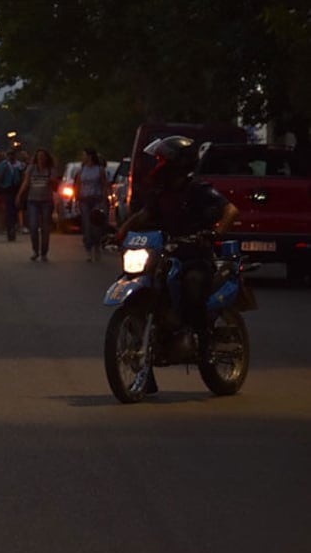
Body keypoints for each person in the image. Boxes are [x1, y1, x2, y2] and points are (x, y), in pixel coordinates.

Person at [115, 136, 239, 385]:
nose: (158, 164)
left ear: (178, 163)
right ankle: (146, 369)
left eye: (163, 160)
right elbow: (144, 215)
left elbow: (231, 211)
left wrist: (214, 234)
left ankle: (203, 343)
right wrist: (120, 232)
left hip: (195, 255)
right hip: (167, 254)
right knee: (134, 285)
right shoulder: (161, 192)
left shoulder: (199, 189)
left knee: (192, 285)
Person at [16, 148, 57, 262]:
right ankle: (35, 250)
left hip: (46, 201)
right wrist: (19, 195)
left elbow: (55, 184)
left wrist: (51, 180)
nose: (41, 159)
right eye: (39, 157)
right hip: (32, 200)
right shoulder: (31, 168)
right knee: (33, 226)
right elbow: (26, 182)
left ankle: (44, 252)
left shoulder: (50, 170)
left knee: (45, 228)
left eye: (43, 157)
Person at [74, 148, 109, 261]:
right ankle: (88, 249)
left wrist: (104, 200)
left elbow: (104, 185)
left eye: (84, 155)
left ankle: (97, 245)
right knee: (87, 225)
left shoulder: (99, 170)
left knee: (96, 226)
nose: (83, 157)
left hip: (96, 199)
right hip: (84, 200)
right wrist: (76, 199)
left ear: (90, 156)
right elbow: (78, 185)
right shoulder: (81, 170)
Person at [0, 148, 24, 241]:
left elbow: (24, 177)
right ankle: (10, 229)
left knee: (16, 209)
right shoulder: (3, 165)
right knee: (9, 210)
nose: (11, 157)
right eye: (9, 155)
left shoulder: (20, 165)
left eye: (13, 155)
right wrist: (4, 170)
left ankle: (15, 226)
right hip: (7, 189)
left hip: (17, 188)